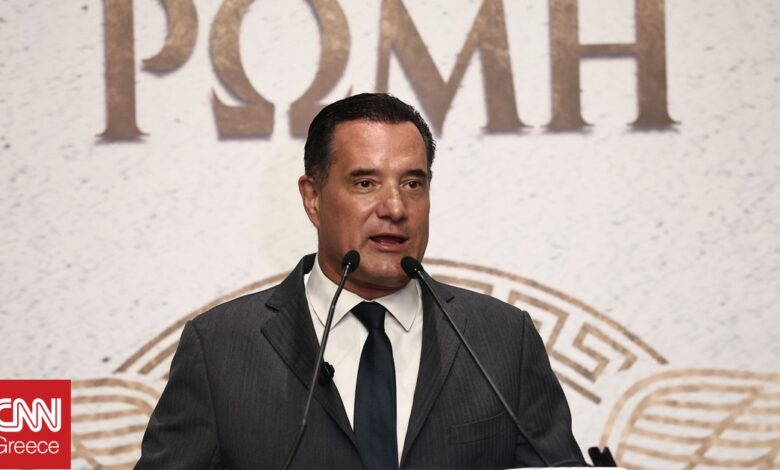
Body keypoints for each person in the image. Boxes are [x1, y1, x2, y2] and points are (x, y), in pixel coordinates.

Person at [135, 93, 585, 469]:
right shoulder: (220, 348)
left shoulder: (502, 339)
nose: (395, 208)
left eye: (413, 184)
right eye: (366, 183)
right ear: (313, 198)